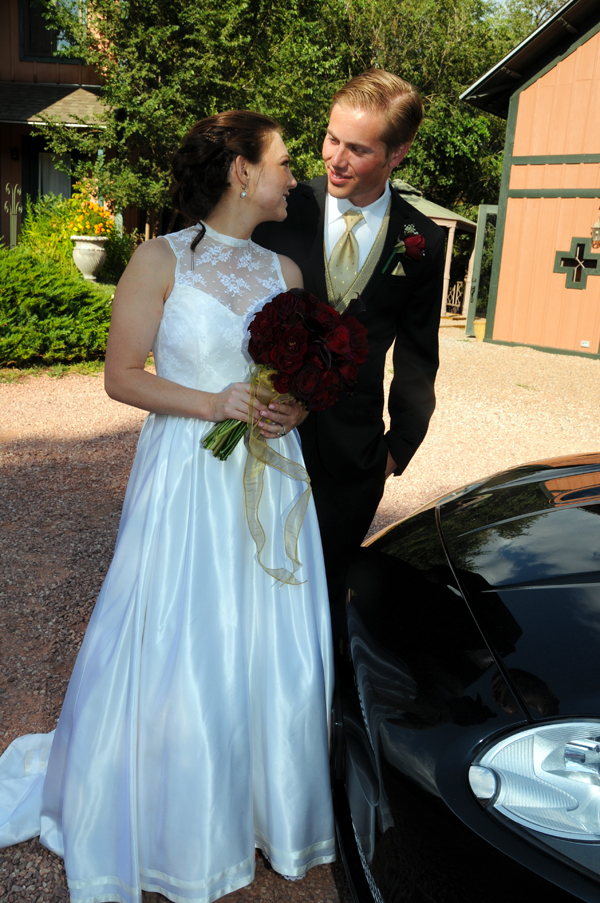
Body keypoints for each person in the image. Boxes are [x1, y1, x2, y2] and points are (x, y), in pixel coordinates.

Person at [0, 111, 335, 902]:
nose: (296, 174)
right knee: (182, 631)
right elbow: (122, 378)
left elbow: (295, 385)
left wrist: (294, 409)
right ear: (240, 173)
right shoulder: (159, 259)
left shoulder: (286, 274)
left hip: (270, 473)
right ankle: (173, 813)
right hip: (186, 473)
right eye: (284, 161)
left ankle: (263, 807)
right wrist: (213, 402)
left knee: (267, 639)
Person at [254, 70, 445, 609]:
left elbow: (417, 359)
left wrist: (394, 452)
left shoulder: (422, 242)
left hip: (352, 457)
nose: (335, 158)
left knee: (325, 596)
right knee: (254, 588)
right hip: (262, 436)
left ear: (397, 153)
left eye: (357, 149)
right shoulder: (281, 211)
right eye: (331, 138)